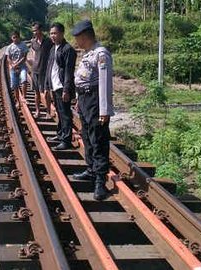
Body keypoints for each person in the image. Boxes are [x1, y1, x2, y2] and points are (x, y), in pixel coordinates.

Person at [71, 20, 114, 201]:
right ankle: (90, 169)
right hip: (85, 99)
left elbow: (105, 83)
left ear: (85, 36)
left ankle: (100, 180)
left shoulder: (101, 54)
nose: (76, 42)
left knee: (98, 139)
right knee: (87, 136)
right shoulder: (88, 54)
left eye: (77, 38)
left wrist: (105, 110)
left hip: (96, 100)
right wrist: (79, 101)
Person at [45, 22, 77, 151]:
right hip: (54, 85)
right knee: (59, 111)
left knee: (65, 114)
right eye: (51, 33)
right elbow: (50, 68)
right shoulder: (53, 48)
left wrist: (66, 89)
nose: (52, 36)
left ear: (62, 33)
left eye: (55, 33)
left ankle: (66, 140)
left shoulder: (68, 49)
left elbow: (69, 71)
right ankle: (60, 134)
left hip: (62, 87)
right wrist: (47, 85)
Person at [30, 22, 53, 119]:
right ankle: (38, 111)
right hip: (35, 70)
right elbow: (34, 54)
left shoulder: (48, 41)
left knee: (46, 92)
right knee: (36, 93)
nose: (34, 32)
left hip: (45, 71)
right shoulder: (33, 42)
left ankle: (48, 111)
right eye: (33, 31)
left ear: (40, 30)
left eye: (36, 30)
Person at [5, 31, 29, 108]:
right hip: (13, 68)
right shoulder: (9, 47)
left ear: (19, 37)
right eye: (13, 37)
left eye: (16, 37)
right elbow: (8, 58)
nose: (15, 39)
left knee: (24, 80)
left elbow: (24, 57)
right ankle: (18, 101)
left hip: (22, 66)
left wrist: (17, 64)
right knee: (15, 86)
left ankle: (24, 98)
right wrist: (12, 64)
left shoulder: (23, 45)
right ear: (11, 38)